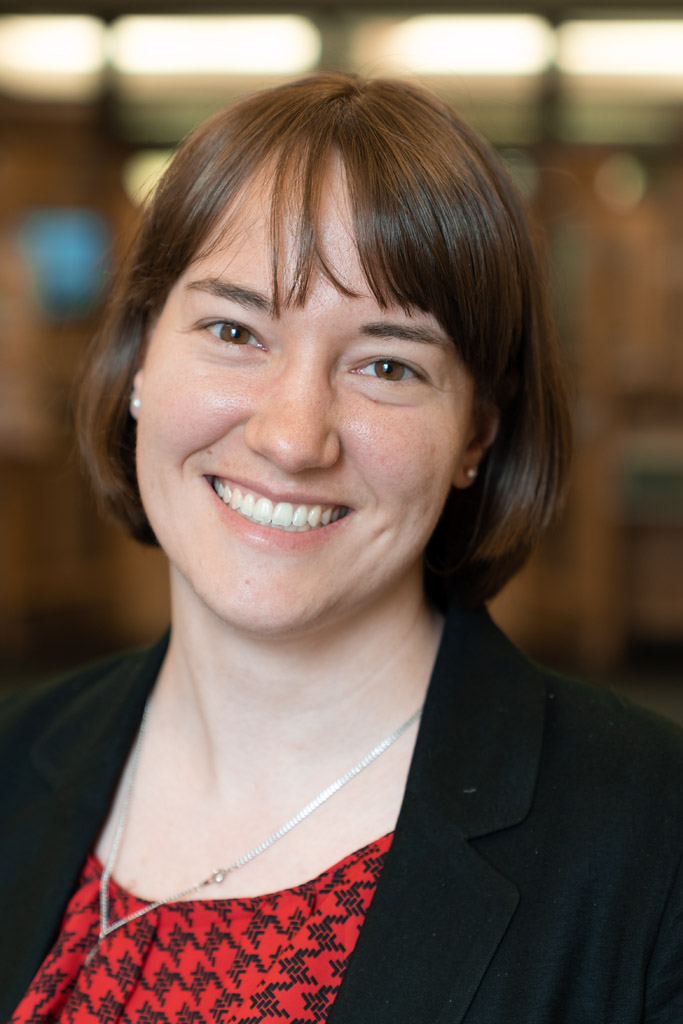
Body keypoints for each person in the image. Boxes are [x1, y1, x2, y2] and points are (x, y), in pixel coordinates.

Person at [1, 72, 682, 1023]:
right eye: (235, 329)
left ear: (476, 434)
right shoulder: (14, 758)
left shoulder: (651, 839)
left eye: (386, 364)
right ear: (139, 362)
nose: (292, 437)